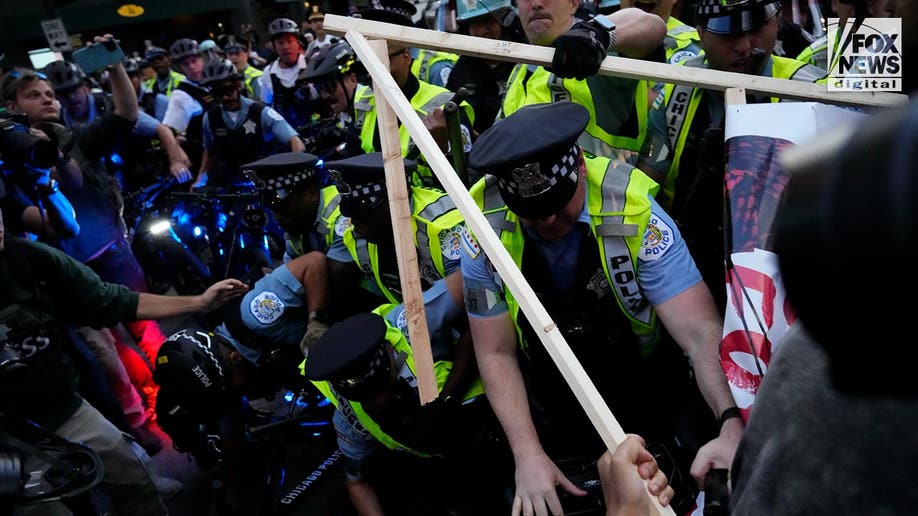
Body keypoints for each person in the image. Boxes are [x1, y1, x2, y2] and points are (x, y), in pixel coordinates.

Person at [463, 102, 742, 516]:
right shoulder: (481, 228)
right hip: (551, 389)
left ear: (578, 163)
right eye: (533, 215)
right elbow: (495, 350)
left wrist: (730, 420)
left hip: (643, 379)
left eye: (558, 201)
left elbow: (700, 332)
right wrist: (528, 455)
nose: (550, 220)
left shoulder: (636, 212)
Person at [0, 189, 247, 515]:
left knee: (135, 476)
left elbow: (112, 299)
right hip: (8, 435)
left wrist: (199, 301)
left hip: (63, 407)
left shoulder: (28, 258)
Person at [637, 0, 825, 312]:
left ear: (777, 20)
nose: (744, 46)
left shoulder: (812, 90)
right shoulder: (678, 89)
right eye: (727, 36)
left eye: (755, 29)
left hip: (785, 276)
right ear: (700, 32)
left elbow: (879, 95)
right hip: (691, 268)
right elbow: (645, 193)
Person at [304, 306, 492, 515]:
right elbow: (357, 483)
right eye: (371, 404)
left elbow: (481, 308)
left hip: (486, 419)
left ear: (390, 355)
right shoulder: (351, 419)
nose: (377, 403)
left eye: (382, 393)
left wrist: (449, 398)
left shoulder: (413, 326)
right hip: (437, 467)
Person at [498, 1, 665, 158]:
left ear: (574, 3)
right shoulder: (519, 69)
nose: (536, 4)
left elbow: (650, 24)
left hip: (601, 188)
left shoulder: (598, 53)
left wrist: (599, 34)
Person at [345, 1, 476, 188]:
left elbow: (466, 182)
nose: (370, 72)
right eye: (364, 64)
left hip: (436, 213)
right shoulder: (364, 103)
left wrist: (442, 148)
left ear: (406, 56)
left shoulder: (443, 104)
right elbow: (352, 166)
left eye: (379, 61)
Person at [42, 59, 192, 186]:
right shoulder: (57, 121)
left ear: (85, 87)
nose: (71, 97)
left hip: (136, 177)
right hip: (97, 187)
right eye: (63, 93)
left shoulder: (113, 106)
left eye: (74, 89)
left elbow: (161, 129)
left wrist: (175, 161)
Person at [193, 59, 304, 189]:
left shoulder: (261, 112)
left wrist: (298, 167)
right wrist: (200, 179)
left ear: (238, 85)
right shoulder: (210, 118)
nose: (224, 98)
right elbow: (210, 150)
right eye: (218, 94)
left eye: (228, 90)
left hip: (264, 183)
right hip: (229, 185)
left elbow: (295, 141)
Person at [243, 152, 342, 263]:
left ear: (312, 193)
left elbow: (335, 279)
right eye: (272, 208)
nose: (277, 217)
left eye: (283, 206)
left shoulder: (342, 216)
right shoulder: (297, 226)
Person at [446, 0, 525, 136]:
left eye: (489, 22)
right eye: (475, 24)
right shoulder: (463, 67)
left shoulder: (527, 59)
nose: (482, 31)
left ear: (505, 22)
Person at [162, 38, 218, 172]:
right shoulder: (181, 96)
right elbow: (168, 132)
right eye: (186, 64)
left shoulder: (214, 81)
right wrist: (177, 155)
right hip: (206, 161)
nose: (192, 67)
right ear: (181, 68)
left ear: (203, 59)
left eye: (194, 61)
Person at [258, 18, 318, 130]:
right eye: (280, 43)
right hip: (288, 136)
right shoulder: (269, 73)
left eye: (289, 41)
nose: (285, 47)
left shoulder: (312, 64)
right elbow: (266, 107)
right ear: (274, 46)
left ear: (298, 43)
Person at [126, 57, 169, 121]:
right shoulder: (111, 103)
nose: (126, 81)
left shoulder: (158, 99)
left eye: (130, 76)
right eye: (119, 78)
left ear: (139, 77)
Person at [224, 35, 263, 100]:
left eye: (237, 53)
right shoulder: (225, 78)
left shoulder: (257, 77)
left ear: (247, 54)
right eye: (230, 54)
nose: (233, 57)